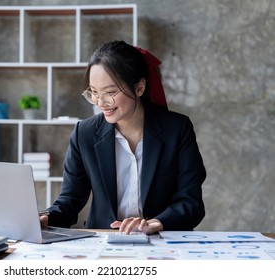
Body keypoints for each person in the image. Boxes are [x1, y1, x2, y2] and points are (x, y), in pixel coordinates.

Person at [40, 40, 206, 235]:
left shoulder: (177, 129)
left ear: (139, 88)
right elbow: (70, 200)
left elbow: (191, 202)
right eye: (94, 92)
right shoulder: (84, 134)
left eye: (110, 93)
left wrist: (155, 223)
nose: (101, 102)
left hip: (162, 240)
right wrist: (46, 217)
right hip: (104, 240)